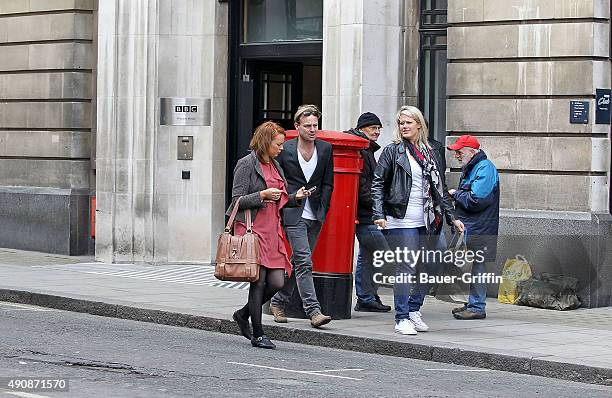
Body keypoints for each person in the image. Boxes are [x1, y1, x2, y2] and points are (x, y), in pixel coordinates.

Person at [371, 105, 464, 335]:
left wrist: (452, 218)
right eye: (401, 122)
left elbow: (439, 188)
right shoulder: (392, 151)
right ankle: (401, 317)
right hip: (401, 218)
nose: (404, 126)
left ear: (419, 125)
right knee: (406, 266)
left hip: (429, 219)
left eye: (408, 122)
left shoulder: (431, 151)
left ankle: (414, 308)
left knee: (434, 262)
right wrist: (378, 214)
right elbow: (377, 184)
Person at [229, 121, 310, 349]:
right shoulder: (246, 165)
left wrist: (295, 198)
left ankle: (242, 314)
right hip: (253, 230)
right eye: (278, 144)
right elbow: (236, 201)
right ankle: (258, 333)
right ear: (266, 142)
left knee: (277, 281)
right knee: (259, 281)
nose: (281, 148)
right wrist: (262, 194)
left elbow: (280, 199)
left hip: (273, 230)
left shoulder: (275, 165)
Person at [270, 104, 334, 328]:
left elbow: (328, 182)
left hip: (315, 214)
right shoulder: (285, 150)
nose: (312, 129)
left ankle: (277, 301)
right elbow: (276, 182)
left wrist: (324, 208)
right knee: (305, 262)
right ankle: (313, 311)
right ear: (297, 126)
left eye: (315, 125)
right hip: (293, 212)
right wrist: (291, 196)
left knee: (299, 263)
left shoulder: (325, 149)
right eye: (307, 126)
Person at [447, 135, 500, 320]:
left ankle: (477, 306)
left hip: (480, 227)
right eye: (456, 152)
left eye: (460, 152)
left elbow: (477, 200)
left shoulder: (484, 167)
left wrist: (456, 194)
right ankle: (473, 303)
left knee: (477, 267)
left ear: (472, 151)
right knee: (472, 267)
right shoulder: (474, 166)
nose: (457, 156)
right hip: (474, 226)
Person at [345, 112, 391, 312]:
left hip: (364, 213)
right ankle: (366, 295)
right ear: (362, 128)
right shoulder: (361, 150)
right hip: (365, 214)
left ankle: (366, 297)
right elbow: (363, 187)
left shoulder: (366, 149)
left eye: (379, 128)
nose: (377, 131)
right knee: (385, 253)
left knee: (368, 256)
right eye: (373, 128)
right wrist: (380, 203)